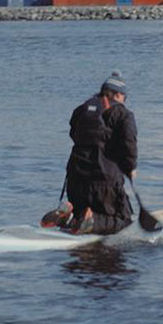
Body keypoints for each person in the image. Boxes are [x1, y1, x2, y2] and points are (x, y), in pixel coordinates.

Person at [58, 70, 138, 235]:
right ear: (118, 95)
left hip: (75, 179)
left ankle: (71, 214)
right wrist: (130, 168)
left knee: (82, 211)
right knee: (124, 220)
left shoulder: (81, 109)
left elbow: (73, 134)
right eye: (125, 98)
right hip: (104, 181)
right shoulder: (123, 114)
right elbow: (129, 143)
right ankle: (93, 220)